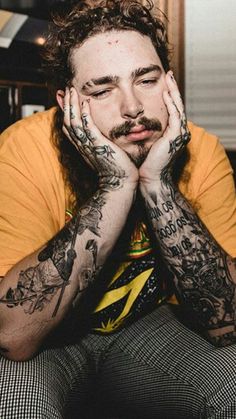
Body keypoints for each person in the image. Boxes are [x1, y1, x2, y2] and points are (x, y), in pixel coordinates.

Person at [0, 0, 235, 417]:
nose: (132, 107)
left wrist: (158, 184)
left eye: (146, 80)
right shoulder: (22, 150)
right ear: (67, 103)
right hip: (53, 343)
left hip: (150, 329)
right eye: (102, 89)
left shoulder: (203, 150)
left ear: (171, 84)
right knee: (16, 404)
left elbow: (226, 322)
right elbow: (15, 336)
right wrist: (117, 183)